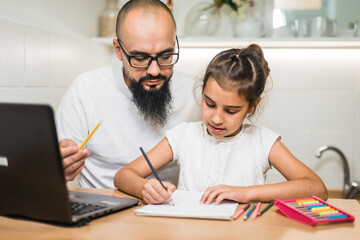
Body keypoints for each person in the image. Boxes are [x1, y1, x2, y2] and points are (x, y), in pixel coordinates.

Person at [114, 44, 328, 205]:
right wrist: (144, 188)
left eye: (231, 111)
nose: (217, 118)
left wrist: (246, 193)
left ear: (251, 107)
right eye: (210, 104)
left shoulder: (263, 142)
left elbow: (316, 188)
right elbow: (123, 175)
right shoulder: (184, 135)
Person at [56, 0, 200, 188]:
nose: (155, 70)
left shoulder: (196, 94)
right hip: (102, 207)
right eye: (140, 58)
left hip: (169, 208)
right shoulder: (87, 88)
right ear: (118, 50)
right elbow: (55, 168)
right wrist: (62, 165)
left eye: (166, 56)